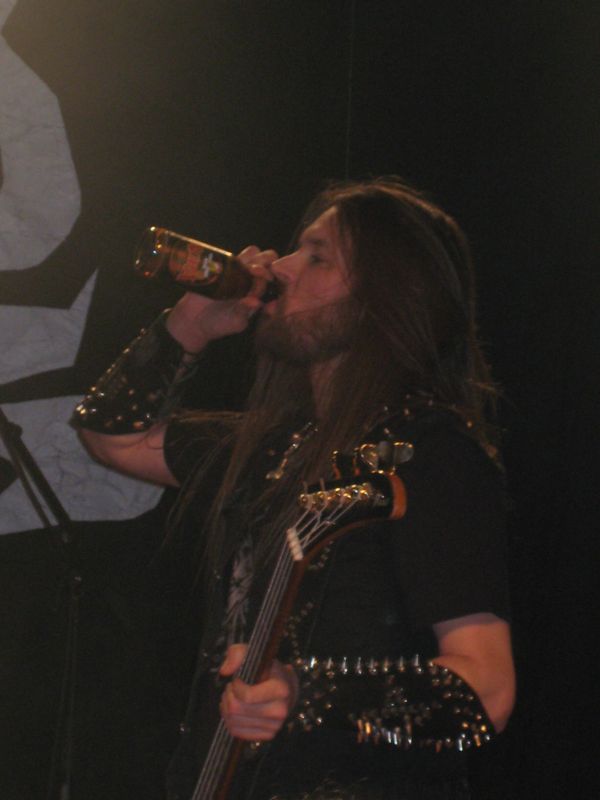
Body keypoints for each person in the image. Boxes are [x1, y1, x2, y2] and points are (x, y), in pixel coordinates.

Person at [74, 178, 515, 799]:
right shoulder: (270, 445)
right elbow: (109, 435)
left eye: (317, 257)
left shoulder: (428, 453)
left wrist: (307, 694)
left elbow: (487, 689)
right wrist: (188, 326)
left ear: (383, 296)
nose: (280, 268)